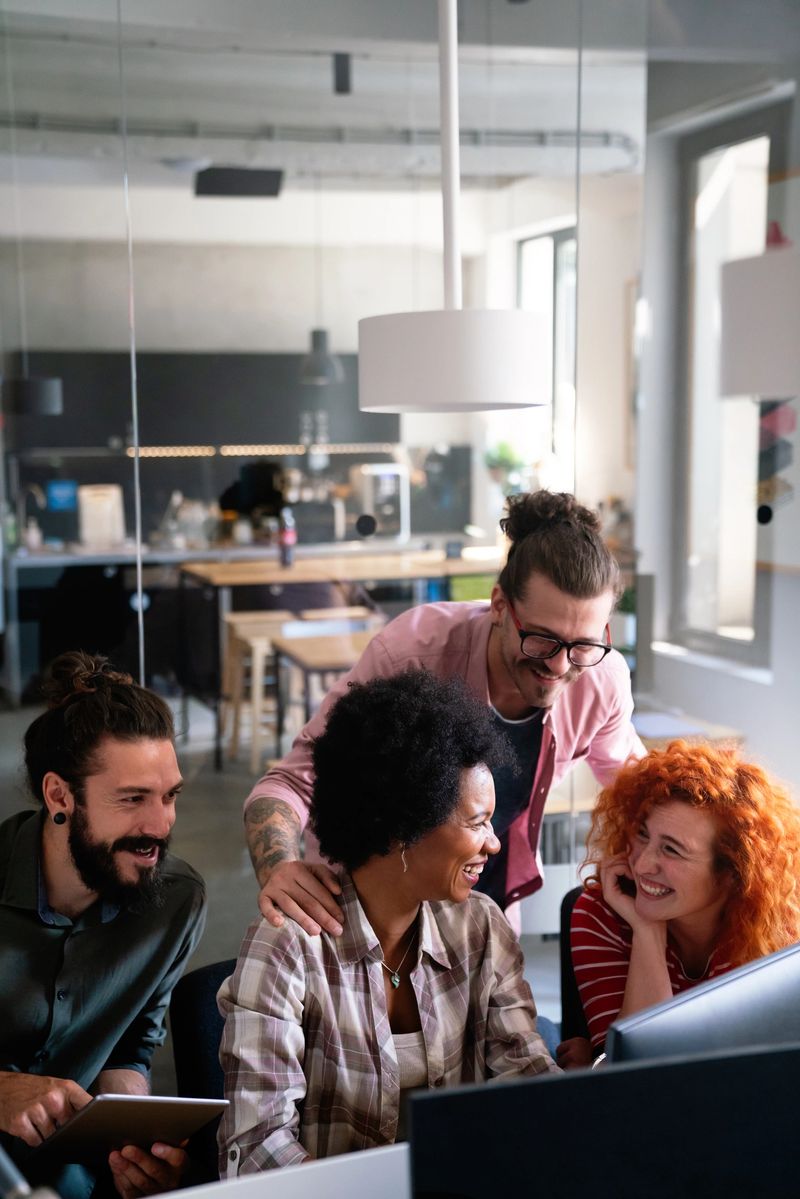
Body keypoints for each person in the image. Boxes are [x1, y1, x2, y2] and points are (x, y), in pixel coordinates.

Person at [243, 489, 645, 935]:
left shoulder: (600, 677)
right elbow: (291, 782)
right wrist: (279, 865)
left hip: (481, 906)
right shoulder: (413, 654)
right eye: (542, 640)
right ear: (498, 606)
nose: (559, 664)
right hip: (362, 910)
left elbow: (636, 788)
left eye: (583, 644)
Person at [218, 670, 558, 1172]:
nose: (494, 842)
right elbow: (255, 1147)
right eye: (475, 822)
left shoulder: (481, 927)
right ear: (403, 826)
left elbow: (524, 1076)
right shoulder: (288, 947)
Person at [0, 651, 207, 1199]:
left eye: (169, 796)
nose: (159, 826)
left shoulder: (174, 901)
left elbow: (129, 1049)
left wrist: (134, 1139)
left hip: (65, 1165)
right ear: (59, 796)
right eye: (133, 799)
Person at [557, 739, 800, 1069]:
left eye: (671, 850)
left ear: (732, 873)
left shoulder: (779, 922)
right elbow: (638, 1074)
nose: (641, 864)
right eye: (642, 834)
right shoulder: (601, 913)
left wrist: (597, 1061)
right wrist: (647, 929)